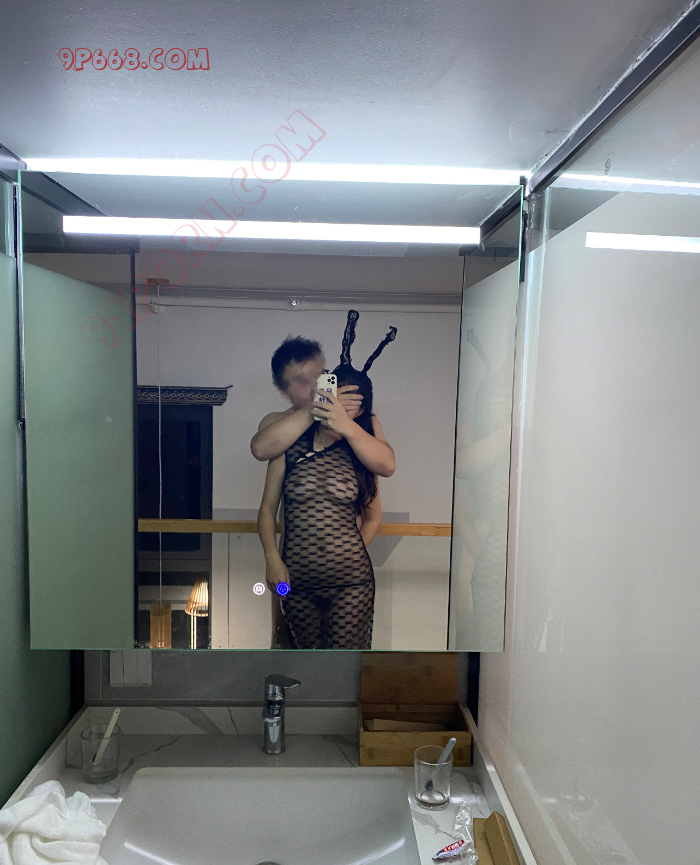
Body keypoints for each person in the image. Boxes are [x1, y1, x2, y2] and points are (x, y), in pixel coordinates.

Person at [256, 311, 397, 648]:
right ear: (283, 390)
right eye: (300, 380)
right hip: (295, 575)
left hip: (350, 577)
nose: (314, 386)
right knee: (294, 655)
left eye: (320, 376)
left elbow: (387, 467)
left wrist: (345, 557)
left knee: (344, 665)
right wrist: (272, 557)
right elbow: (260, 449)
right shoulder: (281, 428)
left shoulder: (362, 426)